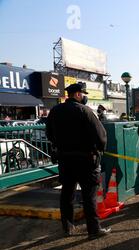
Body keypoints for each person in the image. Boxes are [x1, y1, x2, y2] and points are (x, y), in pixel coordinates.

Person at [46, 83, 111, 240]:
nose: (84, 96)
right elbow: (101, 135)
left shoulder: (55, 111)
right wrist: (100, 150)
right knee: (89, 195)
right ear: (77, 94)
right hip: (86, 161)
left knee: (67, 194)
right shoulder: (85, 111)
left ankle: (68, 227)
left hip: (65, 160)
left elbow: (48, 133)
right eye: (83, 94)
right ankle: (94, 230)